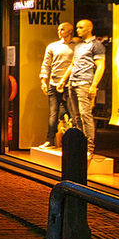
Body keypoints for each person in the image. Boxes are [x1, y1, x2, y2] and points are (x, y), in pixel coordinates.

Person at [64, 19, 106, 160]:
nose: (78, 30)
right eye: (77, 27)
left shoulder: (96, 45)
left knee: (85, 115)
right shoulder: (78, 46)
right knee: (76, 116)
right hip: (73, 82)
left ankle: (89, 148)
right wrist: (64, 80)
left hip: (85, 82)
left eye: (81, 27)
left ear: (89, 29)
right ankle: (80, 144)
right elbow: (73, 64)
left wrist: (94, 85)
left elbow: (100, 66)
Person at [39, 21, 76, 148]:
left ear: (70, 31)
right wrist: (44, 80)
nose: (59, 31)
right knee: (53, 113)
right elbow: (46, 64)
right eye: (59, 29)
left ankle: (75, 139)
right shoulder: (52, 46)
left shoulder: (76, 46)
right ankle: (50, 139)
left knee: (72, 111)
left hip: (69, 84)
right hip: (54, 83)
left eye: (62, 29)